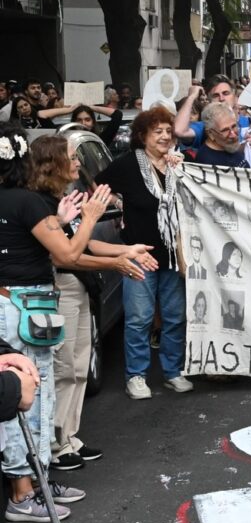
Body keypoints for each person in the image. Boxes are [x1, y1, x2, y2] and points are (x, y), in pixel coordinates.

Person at [25, 136, 154, 473]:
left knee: (80, 366)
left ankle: (69, 436)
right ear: (52, 163)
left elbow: (87, 244)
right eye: (71, 157)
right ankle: (56, 443)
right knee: (64, 367)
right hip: (61, 288)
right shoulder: (40, 204)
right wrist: (114, 258)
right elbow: (67, 256)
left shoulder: (62, 197)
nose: (78, 163)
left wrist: (127, 250)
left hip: (80, 286)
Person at [97, 105, 194, 400]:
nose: (164, 136)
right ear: (142, 136)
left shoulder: (179, 164)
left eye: (168, 131)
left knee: (175, 317)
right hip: (138, 255)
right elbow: (98, 185)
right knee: (139, 318)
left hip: (173, 255)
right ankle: (136, 376)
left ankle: (172, 371)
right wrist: (119, 204)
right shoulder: (128, 164)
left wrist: (181, 168)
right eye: (157, 131)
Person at [173, 76, 251, 155]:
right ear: (209, 101)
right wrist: (191, 97)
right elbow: (179, 131)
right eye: (215, 95)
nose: (221, 99)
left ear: (235, 96)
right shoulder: (205, 127)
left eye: (226, 93)